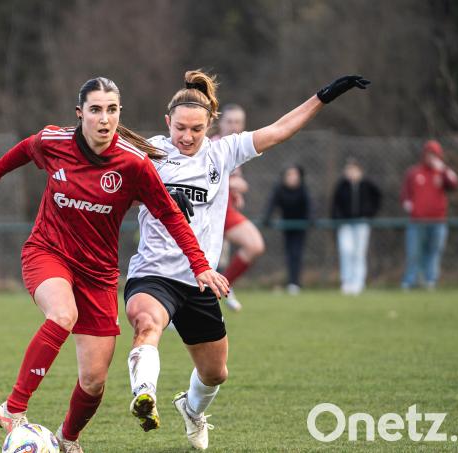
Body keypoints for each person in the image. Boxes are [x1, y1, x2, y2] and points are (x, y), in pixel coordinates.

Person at [0, 77, 229, 453]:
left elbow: (171, 216)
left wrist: (199, 265)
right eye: (96, 110)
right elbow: (24, 149)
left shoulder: (134, 165)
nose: (104, 118)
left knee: (95, 380)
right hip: (49, 252)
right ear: (80, 114)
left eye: (112, 110)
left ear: (119, 114)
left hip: (98, 275)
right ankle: (13, 408)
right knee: (62, 314)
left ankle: (68, 439)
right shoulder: (56, 142)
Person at [124, 71, 369, 450]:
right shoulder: (149, 152)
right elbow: (112, 175)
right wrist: (160, 195)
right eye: (180, 129)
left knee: (215, 373)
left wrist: (324, 96)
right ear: (166, 122)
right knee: (146, 323)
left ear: (210, 126)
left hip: (199, 279)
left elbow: (281, 129)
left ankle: (191, 409)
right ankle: (144, 394)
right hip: (153, 273)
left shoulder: (222, 152)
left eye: (196, 129)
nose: (187, 137)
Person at [213, 104, 265, 312]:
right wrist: (236, 185)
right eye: (230, 121)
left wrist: (235, 193)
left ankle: (223, 286)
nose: (234, 126)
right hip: (214, 212)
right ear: (220, 123)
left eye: (238, 122)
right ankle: (223, 287)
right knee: (254, 245)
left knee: (253, 247)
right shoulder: (215, 145)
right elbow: (212, 179)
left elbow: (231, 182)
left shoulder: (235, 148)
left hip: (226, 209)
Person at [400, 140, 458, 290]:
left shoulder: (442, 172)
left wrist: (444, 170)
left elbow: (454, 184)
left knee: (434, 252)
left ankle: (430, 281)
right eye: (429, 154)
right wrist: (409, 206)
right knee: (413, 252)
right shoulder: (414, 172)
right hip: (417, 221)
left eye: (434, 154)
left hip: (438, 221)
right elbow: (405, 194)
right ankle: (410, 281)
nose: (431, 157)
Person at [331, 158, 381, 295]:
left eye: (354, 170)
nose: (351, 173)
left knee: (359, 253)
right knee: (346, 251)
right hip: (345, 223)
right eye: (349, 170)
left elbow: (377, 198)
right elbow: (335, 205)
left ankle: (358, 282)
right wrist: (338, 219)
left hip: (361, 223)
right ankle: (347, 282)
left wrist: (370, 213)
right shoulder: (341, 186)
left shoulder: (367, 184)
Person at [263, 165, 312, 295]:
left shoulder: (303, 189)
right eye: (289, 175)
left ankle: (295, 283)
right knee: (289, 254)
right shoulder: (280, 189)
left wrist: (309, 219)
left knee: (297, 253)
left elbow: (309, 206)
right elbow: (272, 204)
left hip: (300, 226)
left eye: (294, 175)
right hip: (287, 226)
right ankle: (291, 282)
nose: (292, 178)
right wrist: (267, 218)